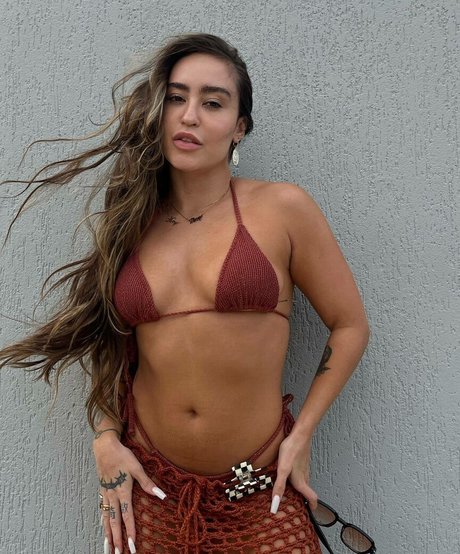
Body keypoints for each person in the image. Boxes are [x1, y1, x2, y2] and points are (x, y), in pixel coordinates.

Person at [0, 33, 370, 553]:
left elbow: (350, 325)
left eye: (212, 103)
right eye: (176, 98)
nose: (189, 115)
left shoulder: (282, 209)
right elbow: (108, 344)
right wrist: (105, 439)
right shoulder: (130, 222)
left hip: (260, 489)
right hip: (151, 492)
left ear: (239, 127)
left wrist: (303, 434)